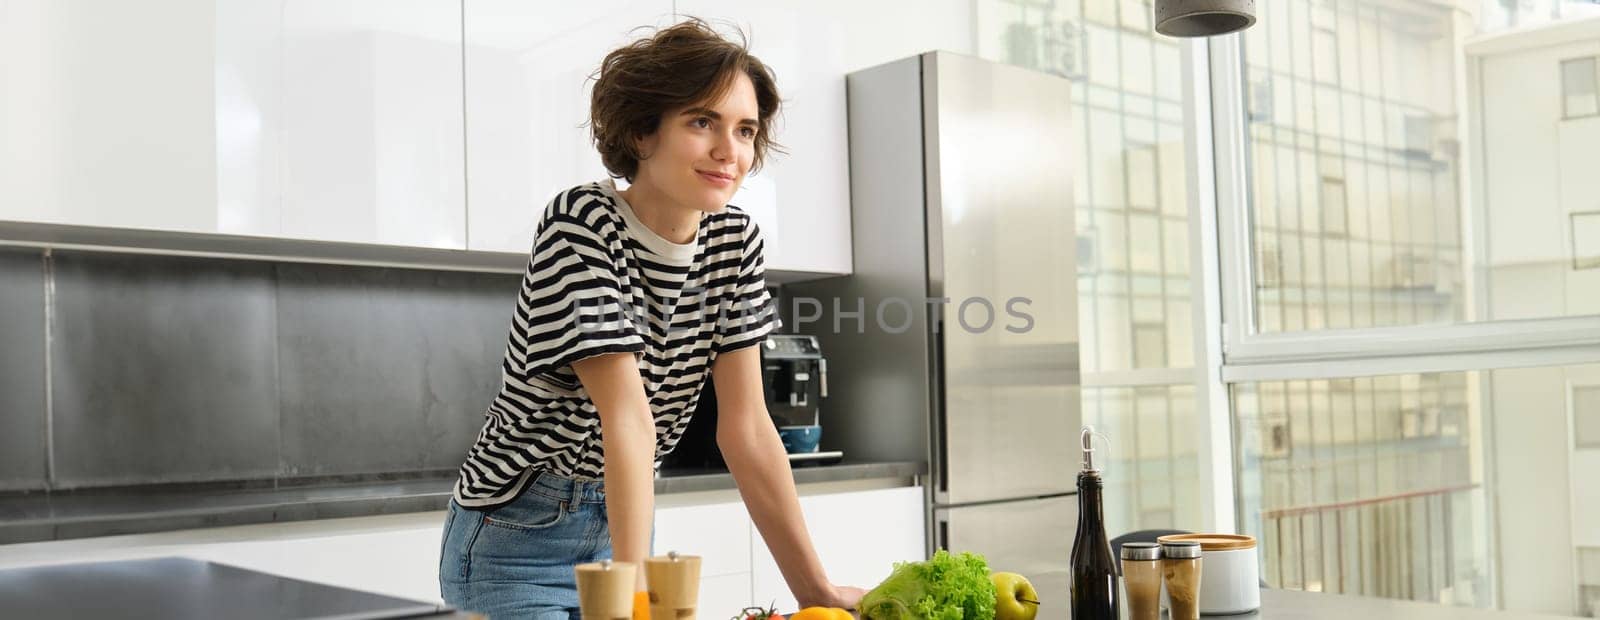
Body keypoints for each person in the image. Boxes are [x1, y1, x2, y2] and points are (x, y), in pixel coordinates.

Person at [437, 18, 865, 619]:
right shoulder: (583, 224)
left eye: (745, 130)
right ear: (642, 133)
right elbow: (628, 419)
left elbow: (746, 428)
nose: (730, 151)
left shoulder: (734, 241)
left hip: (627, 523)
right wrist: (637, 602)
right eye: (702, 122)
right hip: (519, 536)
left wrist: (814, 591)